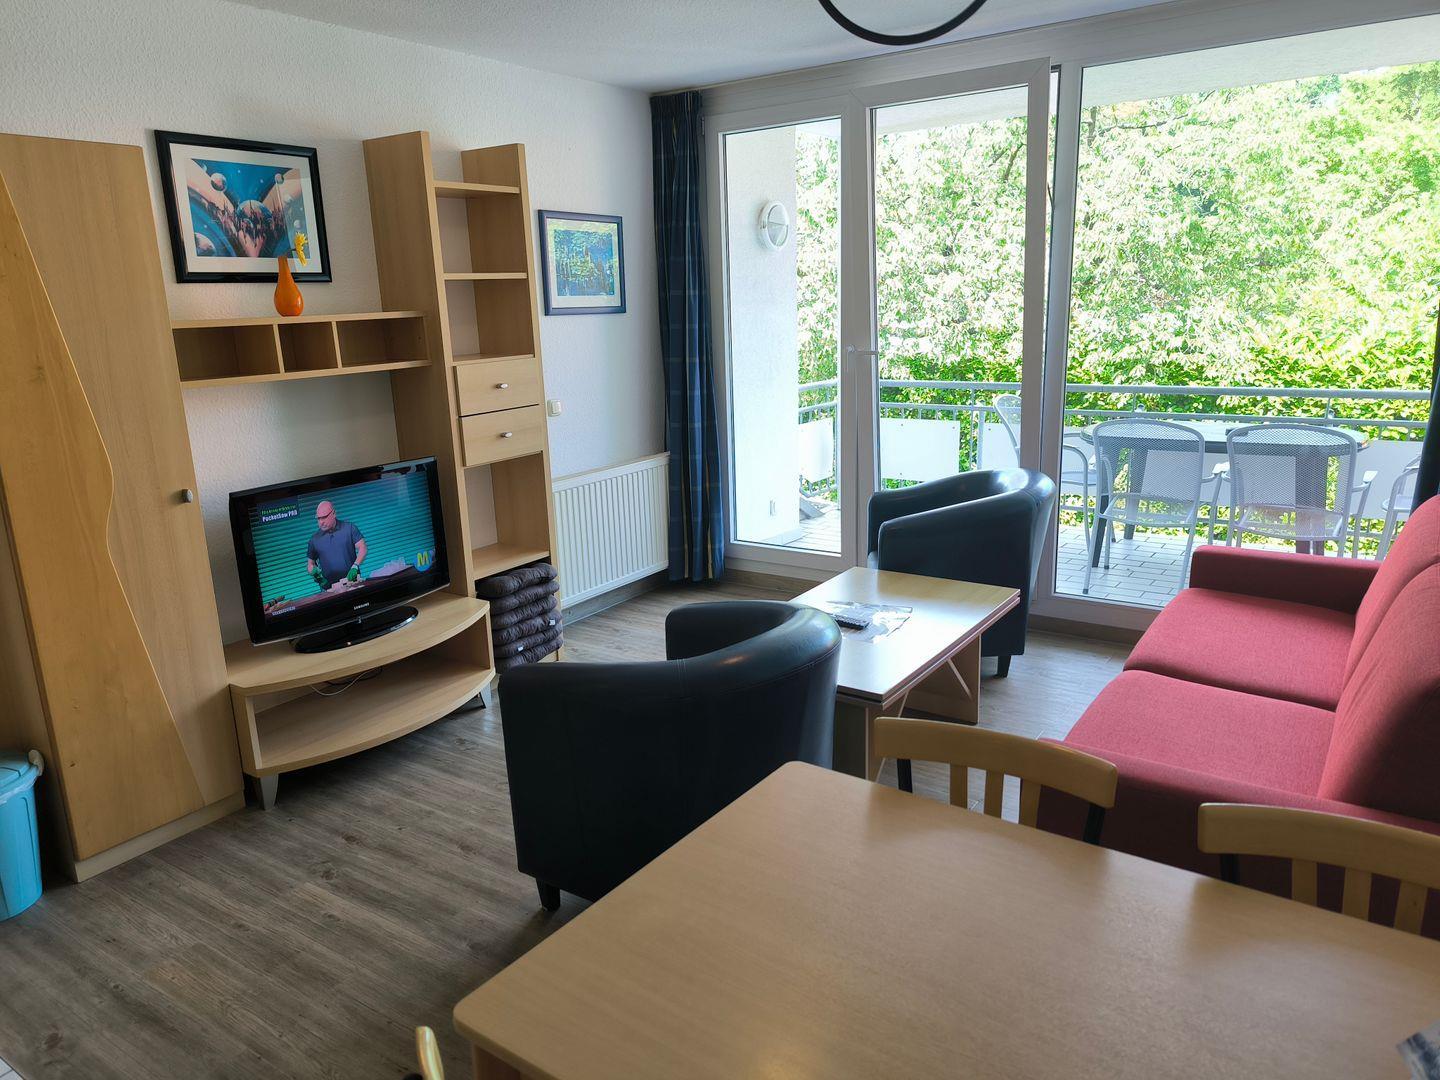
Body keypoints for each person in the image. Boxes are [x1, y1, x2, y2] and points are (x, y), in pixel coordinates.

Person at [306, 499, 366, 590]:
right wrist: (315, 574)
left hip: (353, 583)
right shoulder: (314, 539)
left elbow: (362, 548)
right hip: (329, 589)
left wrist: (355, 566)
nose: (321, 522)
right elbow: (310, 564)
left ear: (334, 513)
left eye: (324, 517)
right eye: (318, 518)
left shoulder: (349, 528)